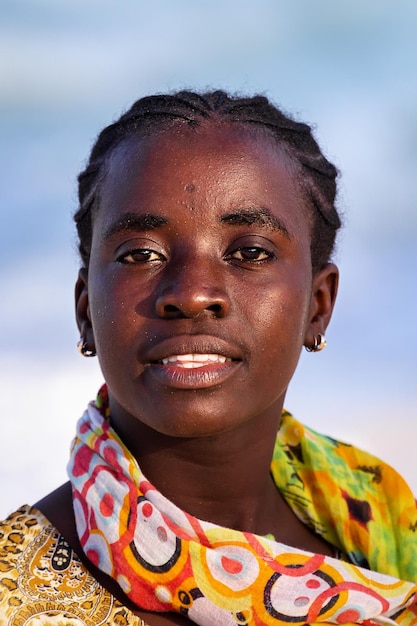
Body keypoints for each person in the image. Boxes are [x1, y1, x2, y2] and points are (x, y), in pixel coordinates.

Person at [1, 90, 416, 626]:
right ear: (85, 310)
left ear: (318, 305)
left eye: (250, 253)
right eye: (141, 254)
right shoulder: (16, 597)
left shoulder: (376, 508)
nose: (193, 294)